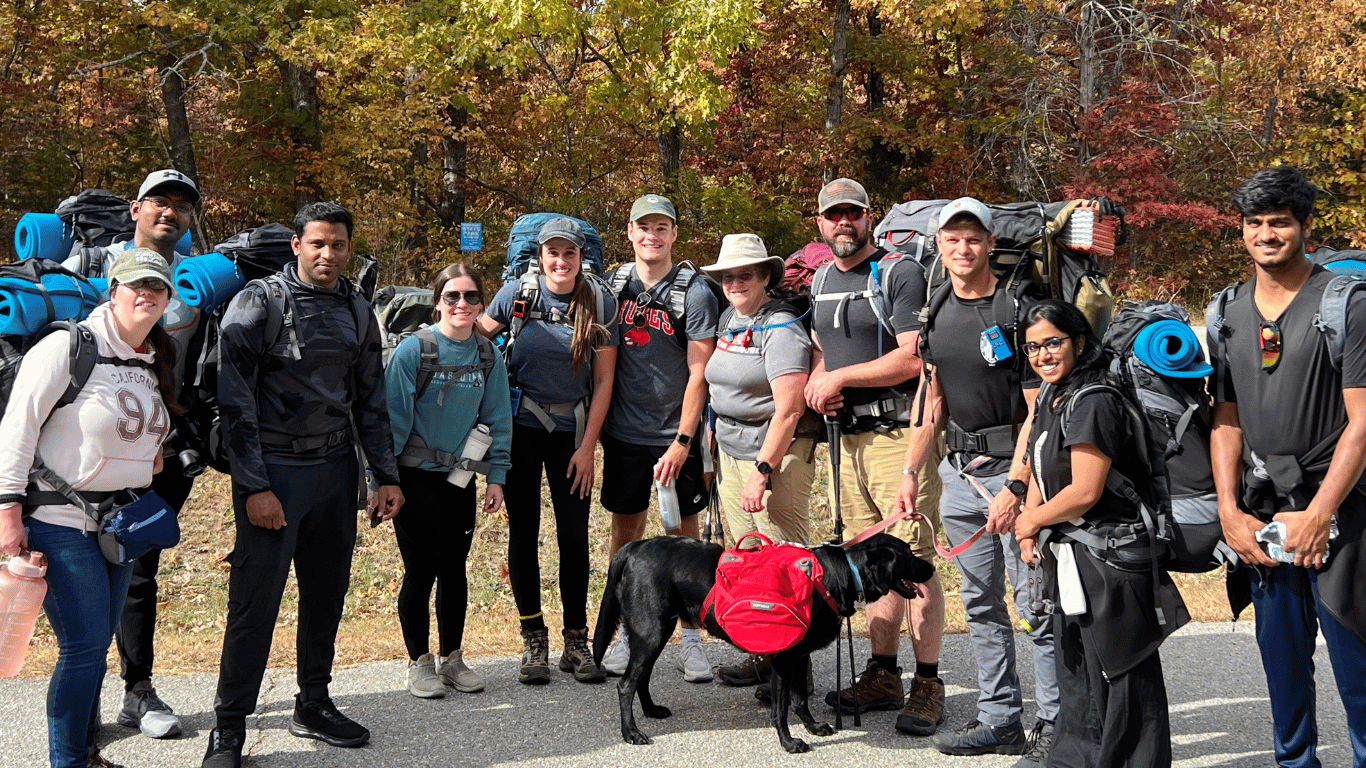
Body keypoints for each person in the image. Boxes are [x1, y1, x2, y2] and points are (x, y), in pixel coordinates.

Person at [200, 202, 404, 768]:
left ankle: (313, 702)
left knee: (325, 595)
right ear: (297, 245)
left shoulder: (357, 309)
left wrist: (384, 475)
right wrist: (253, 487)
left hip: (334, 474)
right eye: (317, 243)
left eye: (338, 245)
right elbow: (233, 400)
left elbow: (370, 400)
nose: (328, 254)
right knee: (254, 604)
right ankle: (228, 727)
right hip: (275, 477)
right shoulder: (259, 303)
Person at [1209, 166, 1366, 768]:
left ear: (1305, 227)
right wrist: (1229, 511)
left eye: (1280, 222)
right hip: (1262, 511)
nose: (1267, 234)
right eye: (1255, 223)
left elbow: (1362, 420)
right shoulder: (1225, 310)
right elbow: (1226, 418)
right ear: (1242, 230)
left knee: (1358, 664)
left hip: (1343, 513)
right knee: (1281, 664)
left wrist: (1321, 513)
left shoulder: (1347, 305)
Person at [0, 248, 178, 768]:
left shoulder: (150, 359)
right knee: (84, 647)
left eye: (157, 286)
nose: (144, 293)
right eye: (133, 285)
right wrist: (8, 508)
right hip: (58, 519)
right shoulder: (69, 345)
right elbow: (18, 426)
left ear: (169, 298)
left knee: (95, 648)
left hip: (118, 524)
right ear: (112, 290)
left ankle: (84, 751)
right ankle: (69, 761)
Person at [896, 198, 1058, 760]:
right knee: (982, 604)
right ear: (938, 244)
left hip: (1017, 474)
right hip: (960, 476)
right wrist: (912, 471)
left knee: (1034, 605)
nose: (962, 249)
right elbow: (932, 401)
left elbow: (1040, 411)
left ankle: (1054, 724)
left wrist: (1018, 489)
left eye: (972, 239)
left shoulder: (1019, 310)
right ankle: (1000, 720)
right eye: (951, 239)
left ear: (991, 244)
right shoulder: (936, 308)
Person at [803, 178, 947, 734]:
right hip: (847, 440)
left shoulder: (898, 273)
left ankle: (927, 683)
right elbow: (822, 347)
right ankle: (884, 673)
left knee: (913, 559)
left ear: (870, 218)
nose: (843, 223)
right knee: (869, 563)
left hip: (895, 435)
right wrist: (822, 379)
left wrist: (838, 376)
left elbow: (913, 357)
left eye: (853, 214)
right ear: (820, 223)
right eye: (833, 215)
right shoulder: (818, 278)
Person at [63, 169, 202, 740]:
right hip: (84, 454)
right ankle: (82, 694)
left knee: (138, 567)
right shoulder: (92, 269)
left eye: (181, 205)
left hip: (159, 453)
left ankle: (136, 691)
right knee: (80, 575)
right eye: (158, 202)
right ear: (134, 207)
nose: (169, 212)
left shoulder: (195, 280)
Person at [1014, 299, 1183, 768]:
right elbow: (1039, 465)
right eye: (1033, 348)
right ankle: (1076, 760)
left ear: (1080, 342)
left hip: (1111, 556)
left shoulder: (1093, 400)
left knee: (1123, 672)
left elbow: (1085, 490)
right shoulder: (1054, 394)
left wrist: (1032, 521)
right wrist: (1030, 524)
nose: (1043, 355)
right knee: (1080, 673)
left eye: (1053, 342)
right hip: (1075, 554)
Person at [479, 217, 617, 685]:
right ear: (539, 256)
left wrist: (588, 447)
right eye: (552, 253)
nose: (560, 262)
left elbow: (603, 381)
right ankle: (533, 637)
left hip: (571, 432)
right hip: (519, 427)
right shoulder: (518, 294)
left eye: (569, 254)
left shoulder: (598, 300)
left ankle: (575, 641)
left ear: (582, 258)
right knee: (524, 533)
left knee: (574, 537)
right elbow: (473, 335)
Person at [599, 194, 719, 683]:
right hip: (626, 436)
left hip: (677, 438)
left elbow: (700, 373)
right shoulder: (612, 287)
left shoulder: (695, 291)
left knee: (683, 543)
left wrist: (683, 441)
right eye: (643, 226)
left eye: (662, 227)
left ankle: (692, 640)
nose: (652, 235)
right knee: (625, 541)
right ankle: (625, 633)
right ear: (629, 231)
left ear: (674, 233)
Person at [384, 263, 513, 698]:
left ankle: (452, 659)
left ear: (482, 303)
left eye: (471, 297)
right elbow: (392, 421)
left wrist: (497, 476)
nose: (462, 304)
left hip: (460, 478)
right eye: (452, 296)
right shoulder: (413, 351)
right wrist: (381, 480)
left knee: (454, 569)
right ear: (438, 300)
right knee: (421, 570)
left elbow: (498, 417)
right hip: (413, 477)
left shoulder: (487, 353)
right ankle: (419, 663)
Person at [700, 233, 816, 687]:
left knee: (786, 563)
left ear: (765, 276)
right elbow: (719, 384)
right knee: (749, 560)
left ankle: (794, 669)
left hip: (776, 457)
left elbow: (789, 409)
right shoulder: (730, 318)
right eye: (727, 275)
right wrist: (712, 438)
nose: (735, 282)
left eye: (744, 274)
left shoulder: (782, 327)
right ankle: (762, 649)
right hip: (731, 450)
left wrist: (762, 473)